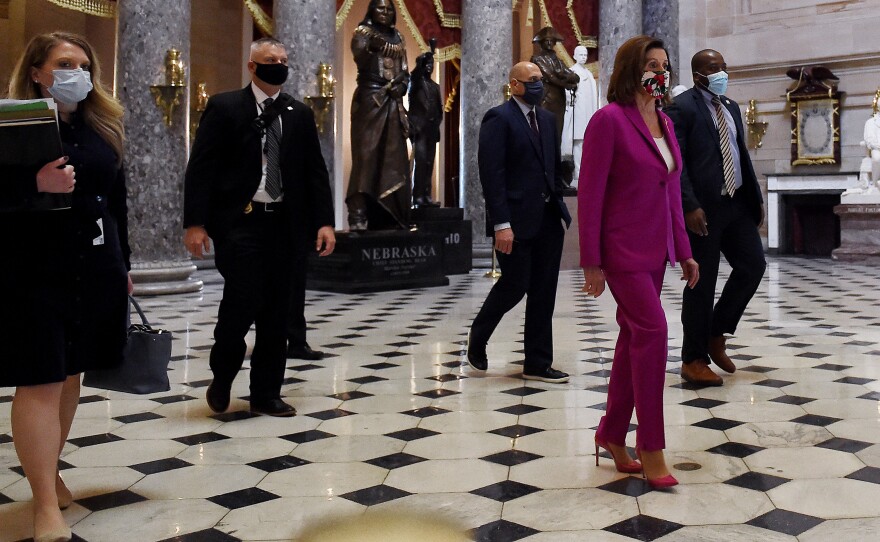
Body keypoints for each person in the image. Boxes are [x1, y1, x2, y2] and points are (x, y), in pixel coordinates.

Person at [1, 31, 131, 542]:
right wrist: (34, 186)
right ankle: (42, 506)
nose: (76, 72)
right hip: (33, 268)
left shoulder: (102, 126)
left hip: (95, 266)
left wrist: (125, 266)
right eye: (63, 63)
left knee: (71, 375)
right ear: (36, 71)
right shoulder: (11, 124)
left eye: (83, 64)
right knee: (41, 378)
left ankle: (50, 471)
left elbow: (117, 201)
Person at [183, 37, 335, 417]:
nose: (279, 65)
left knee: (278, 312)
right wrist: (195, 223)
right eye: (271, 60)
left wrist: (324, 222)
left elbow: (315, 172)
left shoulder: (298, 113)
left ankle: (266, 392)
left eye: (284, 60)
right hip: (240, 223)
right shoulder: (225, 106)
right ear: (252, 66)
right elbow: (201, 168)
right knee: (240, 303)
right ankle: (222, 376)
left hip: (284, 225)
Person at [578, 35, 699, 489]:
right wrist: (592, 261)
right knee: (653, 332)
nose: (660, 73)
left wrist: (684, 251)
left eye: (665, 65)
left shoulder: (665, 124)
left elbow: (671, 194)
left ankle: (610, 433)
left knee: (633, 339)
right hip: (621, 252)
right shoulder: (608, 121)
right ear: (633, 68)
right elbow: (590, 196)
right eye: (652, 64)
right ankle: (650, 444)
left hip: (655, 253)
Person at [466, 61, 572, 384]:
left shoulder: (548, 119)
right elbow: (492, 175)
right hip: (514, 221)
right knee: (515, 284)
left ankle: (538, 362)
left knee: (544, 291)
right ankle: (478, 335)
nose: (541, 85)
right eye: (533, 80)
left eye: (541, 79)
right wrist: (501, 223)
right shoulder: (499, 118)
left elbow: (551, 169)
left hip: (547, 220)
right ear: (515, 85)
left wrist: (560, 203)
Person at [665, 49, 766, 387]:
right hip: (703, 210)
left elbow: (740, 157)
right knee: (701, 282)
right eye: (713, 68)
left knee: (753, 266)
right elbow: (676, 164)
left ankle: (716, 332)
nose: (721, 72)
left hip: (736, 204)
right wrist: (689, 205)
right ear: (697, 75)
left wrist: (754, 203)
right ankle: (692, 359)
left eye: (724, 66)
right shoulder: (682, 108)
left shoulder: (731, 107)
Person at [346, 0, 411, 230]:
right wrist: (370, 48)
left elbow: (404, 72)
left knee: (394, 161)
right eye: (380, 8)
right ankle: (358, 214)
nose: (385, 12)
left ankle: (391, 213)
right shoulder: (363, 32)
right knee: (366, 157)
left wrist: (401, 87)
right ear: (372, 10)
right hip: (370, 100)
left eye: (389, 9)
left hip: (393, 102)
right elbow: (360, 58)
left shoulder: (399, 38)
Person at [530, 27, 580, 148]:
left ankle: (555, 163)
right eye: (546, 40)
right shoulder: (537, 59)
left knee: (557, 132)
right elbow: (550, 76)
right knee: (543, 132)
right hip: (545, 99)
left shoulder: (558, 60)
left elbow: (574, 76)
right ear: (541, 42)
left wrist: (568, 78)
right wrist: (567, 83)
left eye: (551, 40)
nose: (549, 43)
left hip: (559, 100)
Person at [408, 47, 443, 208]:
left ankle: (427, 195)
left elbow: (438, 107)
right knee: (420, 162)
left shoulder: (435, 86)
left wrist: (437, 124)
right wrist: (422, 60)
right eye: (427, 64)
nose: (430, 66)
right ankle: (418, 197)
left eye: (431, 63)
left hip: (431, 129)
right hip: (419, 129)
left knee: (429, 163)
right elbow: (415, 75)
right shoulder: (415, 82)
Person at [561, 45, 599, 185]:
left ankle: (586, 171)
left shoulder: (588, 73)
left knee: (587, 142)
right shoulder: (572, 72)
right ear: (575, 56)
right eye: (581, 54)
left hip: (589, 111)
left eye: (585, 54)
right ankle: (578, 173)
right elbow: (568, 93)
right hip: (578, 112)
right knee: (578, 142)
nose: (583, 57)